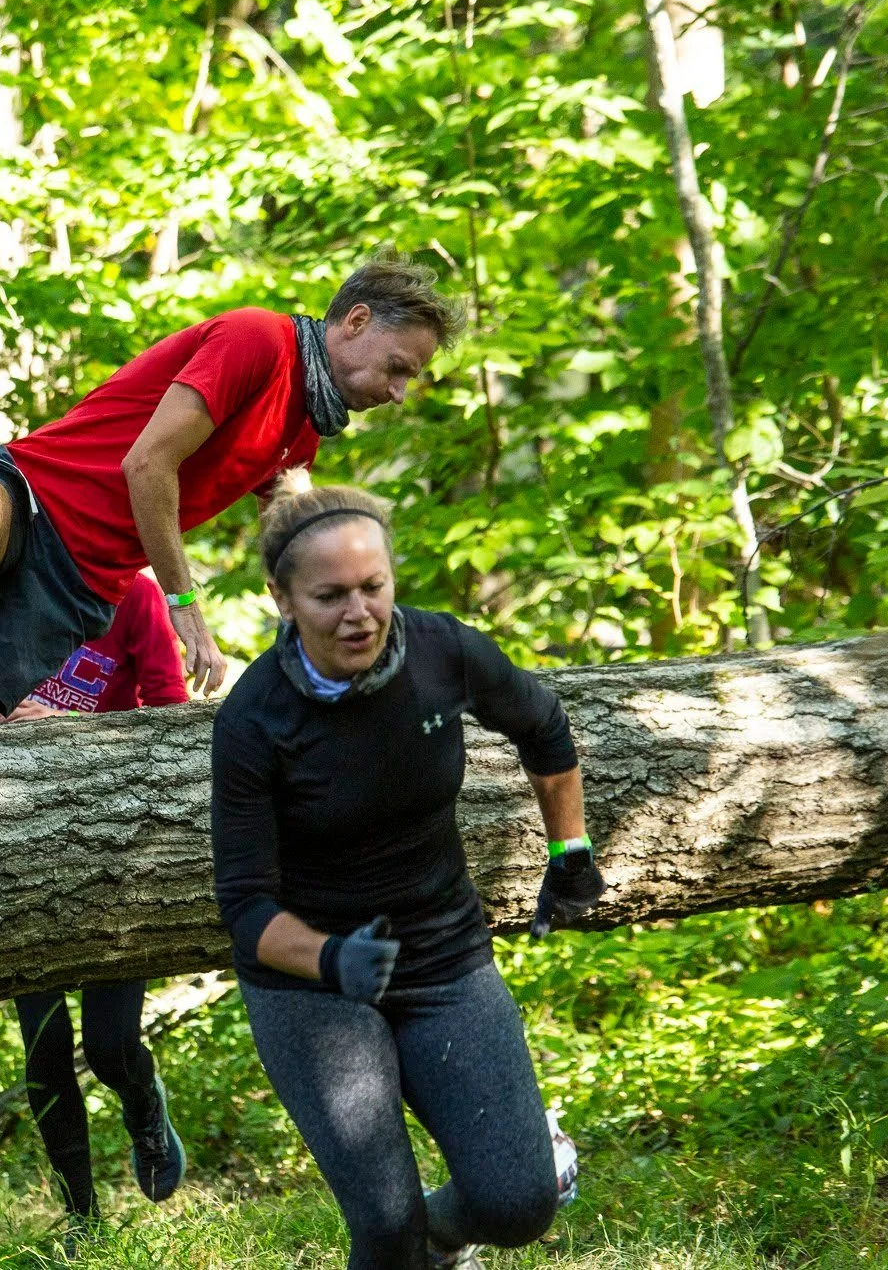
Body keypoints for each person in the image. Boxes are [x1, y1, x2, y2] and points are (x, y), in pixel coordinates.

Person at [0, 254, 462, 751]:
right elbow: (147, 465)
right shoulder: (259, 339)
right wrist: (187, 609)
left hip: (80, 585)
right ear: (356, 320)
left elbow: (301, 547)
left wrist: (350, 653)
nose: (398, 392)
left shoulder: (301, 431)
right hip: (33, 490)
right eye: (400, 367)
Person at [209, 483, 607, 1270]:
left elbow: (544, 726)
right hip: (311, 986)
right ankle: (403, 1244)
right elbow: (246, 907)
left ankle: (444, 1240)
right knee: (384, 1225)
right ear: (282, 599)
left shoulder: (441, 652)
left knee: (518, 1202)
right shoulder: (255, 719)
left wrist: (571, 854)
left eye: (373, 586)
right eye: (330, 595)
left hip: (442, 957)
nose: (358, 612)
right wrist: (331, 958)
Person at [0, 571, 191, 1246]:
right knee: (43, 1052)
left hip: (112, 852)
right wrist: (0, 726)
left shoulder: (136, 593)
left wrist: (70, 730)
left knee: (107, 1045)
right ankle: (83, 1219)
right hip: (24, 847)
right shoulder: (4, 592)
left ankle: (144, 1104)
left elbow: (171, 722)